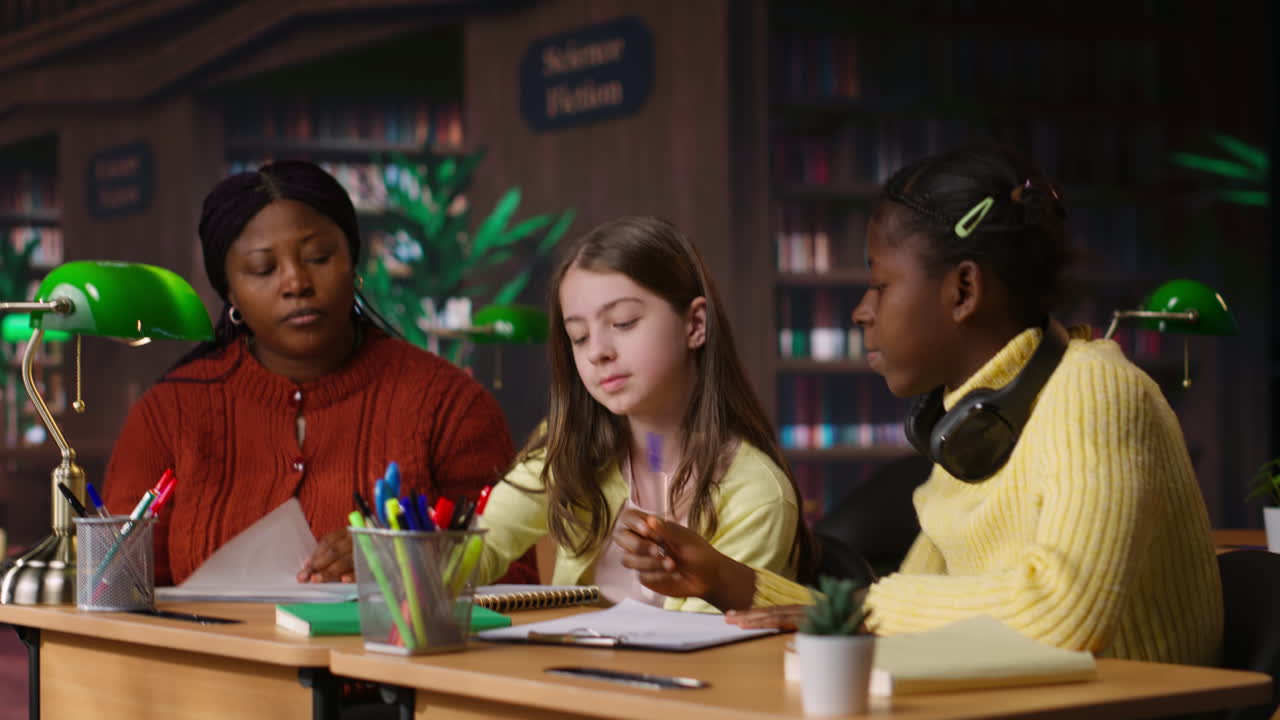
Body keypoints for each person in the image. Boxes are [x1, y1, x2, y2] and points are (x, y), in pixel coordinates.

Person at [623, 146, 1223, 665]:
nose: (862, 310)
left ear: (964, 290)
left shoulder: (1092, 389)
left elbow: (1061, 615)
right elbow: (905, 609)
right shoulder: (975, 421)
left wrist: (868, 607)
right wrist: (724, 578)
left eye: (880, 284)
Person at [104, 160, 536, 586]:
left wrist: (408, 561)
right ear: (230, 290)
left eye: (318, 257)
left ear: (354, 263)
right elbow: (115, 591)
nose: (296, 282)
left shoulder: (450, 405)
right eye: (263, 269)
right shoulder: (168, 413)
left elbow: (516, 581)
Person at [472, 216, 815, 612]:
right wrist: (416, 552)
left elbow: (699, 650)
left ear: (696, 324)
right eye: (579, 337)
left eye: (623, 323)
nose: (598, 351)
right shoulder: (569, 447)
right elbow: (480, 546)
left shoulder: (757, 494)